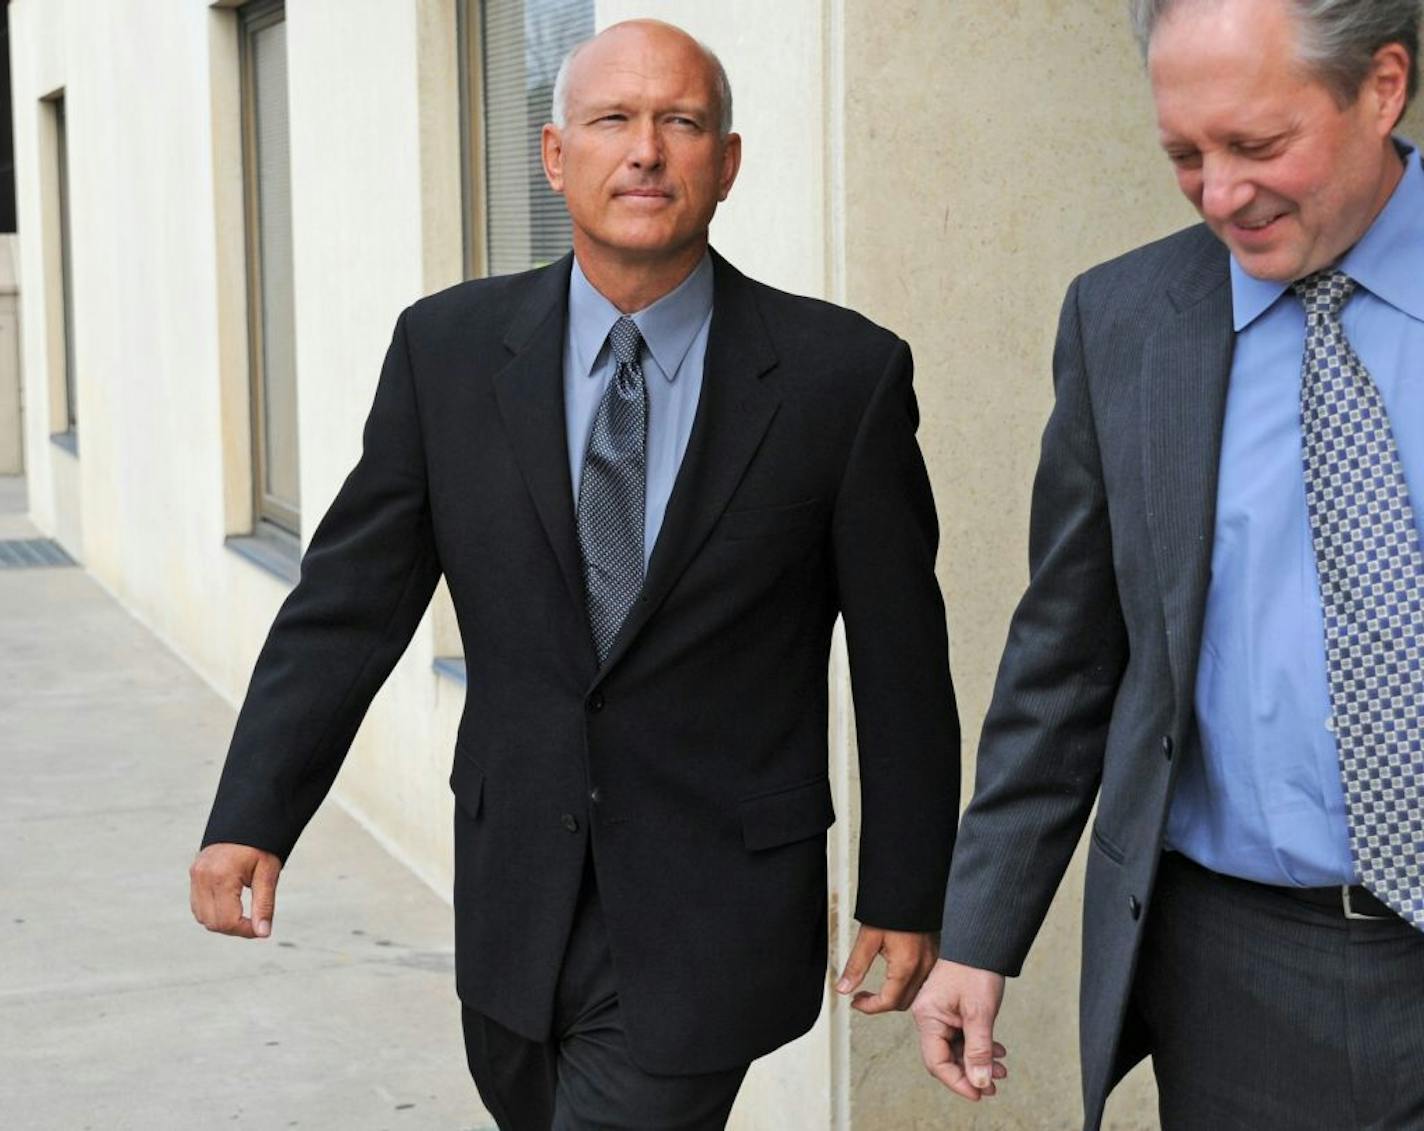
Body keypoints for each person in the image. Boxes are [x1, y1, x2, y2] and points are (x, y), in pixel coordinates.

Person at [189, 18, 960, 1130]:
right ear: (555, 158)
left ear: (726, 163)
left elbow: (900, 663)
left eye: (680, 122)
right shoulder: (445, 353)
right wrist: (253, 808)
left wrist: (904, 887)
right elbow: (347, 608)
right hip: (514, 905)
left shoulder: (843, 378)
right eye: (610, 120)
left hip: (714, 911)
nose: (644, 150)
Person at [911, 1, 1424, 1128]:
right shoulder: (1126, 321)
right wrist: (980, 933)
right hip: (1242, 980)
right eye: (1184, 155)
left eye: (1256, 145)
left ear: (1380, 87)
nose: (1219, 195)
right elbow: (1065, 660)